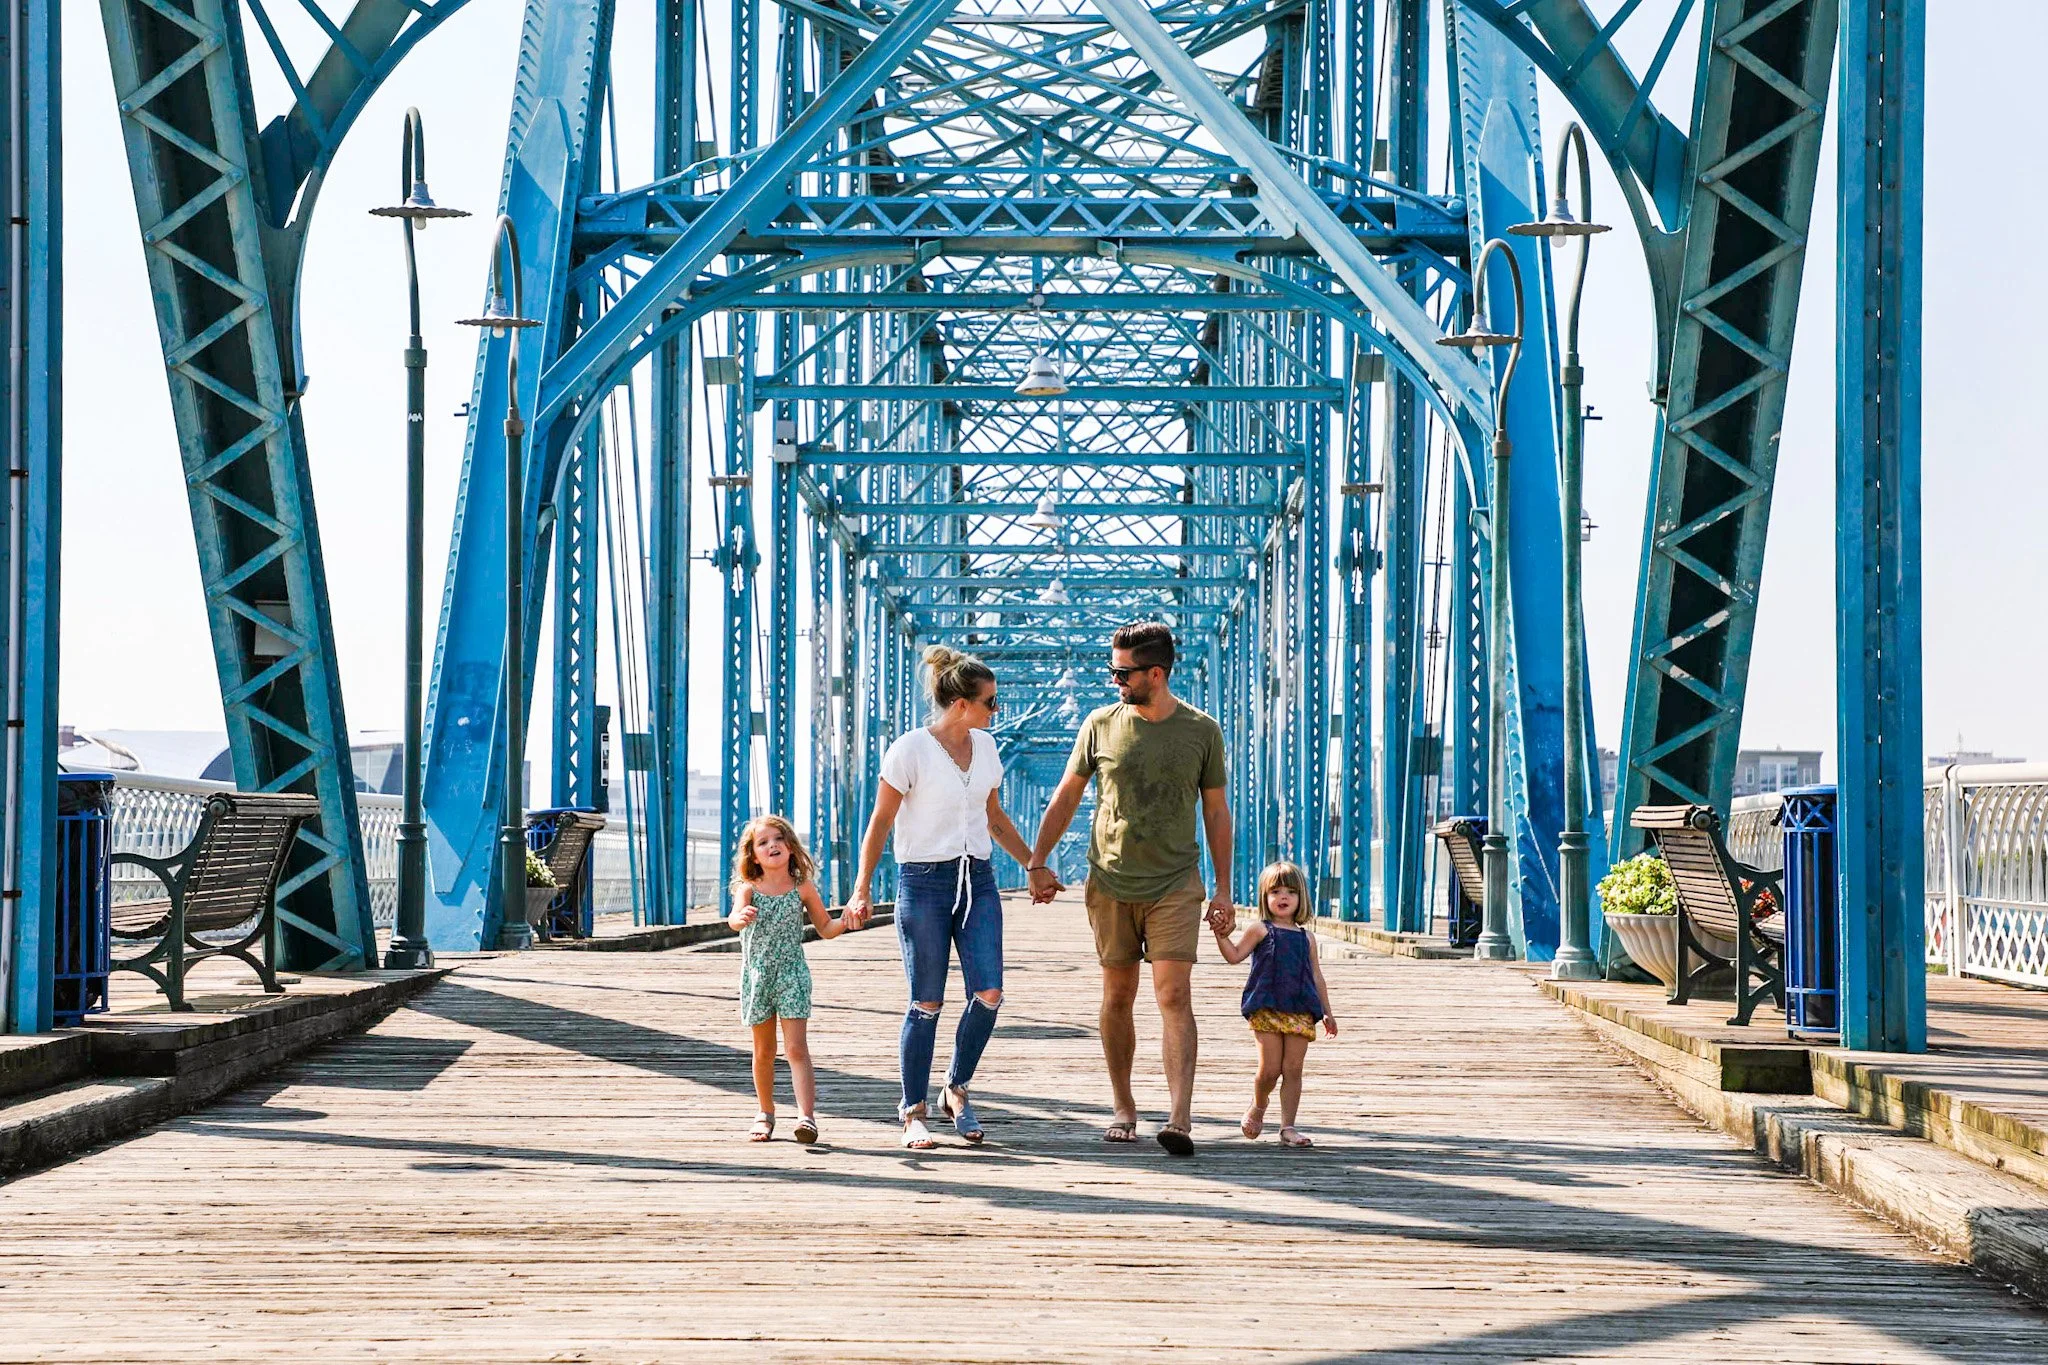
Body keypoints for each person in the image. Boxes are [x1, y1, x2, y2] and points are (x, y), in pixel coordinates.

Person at [1026, 621, 1233, 1156]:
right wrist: (1037, 861)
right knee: (1117, 997)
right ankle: (1124, 1106)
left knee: (1173, 994)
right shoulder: (1099, 724)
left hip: (1175, 883)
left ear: (1156, 673)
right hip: (1111, 881)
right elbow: (1066, 797)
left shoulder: (1202, 731)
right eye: (1112, 670)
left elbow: (1216, 812)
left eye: (1123, 672)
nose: (1114, 680)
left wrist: (1225, 888)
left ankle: (1180, 1116)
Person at [849, 646, 1037, 1150]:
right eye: (990, 702)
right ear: (961, 704)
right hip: (924, 882)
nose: (996, 711)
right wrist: (862, 886)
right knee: (926, 1000)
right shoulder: (909, 749)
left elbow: (995, 819)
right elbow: (881, 822)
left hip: (977, 879)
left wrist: (1034, 865)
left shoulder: (988, 748)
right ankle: (912, 1110)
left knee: (990, 992)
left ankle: (956, 1086)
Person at [729, 814, 861, 1143]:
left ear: (790, 846)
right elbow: (733, 920)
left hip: (792, 974)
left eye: (779, 839)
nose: (772, 845)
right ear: (753, 854)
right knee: (764, 1051)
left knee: (796, 1049)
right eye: (763, 842)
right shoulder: (749, 889)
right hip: (758, 976)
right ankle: (765, 1112)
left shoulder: (801, 886)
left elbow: (826, 928)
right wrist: (739, 917)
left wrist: (846, 919)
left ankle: (806, 1117)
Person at [1210, 861, 1337, 1148]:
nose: (1283, 897)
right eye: (1275, 891)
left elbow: (1317, 975)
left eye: (1291, 892)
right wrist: (1221, 936)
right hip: (1266, 1006)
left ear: (1300, 897)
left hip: (1301, 1008)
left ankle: (1287, 1127)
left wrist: (1328, 1012)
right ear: (1265, 898)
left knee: (1293, 1069)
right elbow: (1234, 955)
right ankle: (1258, 1103)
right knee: (1269, 1069)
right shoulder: (1260, 930)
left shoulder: (1307, 937)